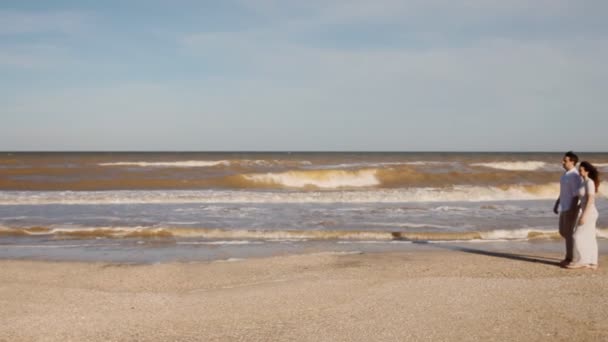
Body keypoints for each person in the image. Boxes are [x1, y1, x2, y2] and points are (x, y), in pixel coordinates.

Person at [566, 161, 600, 270]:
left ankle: (582, 261)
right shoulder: (583, 183)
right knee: (590, 237)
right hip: (587, 211)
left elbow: (591, 200)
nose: (579, 172)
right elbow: (583, 200)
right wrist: (575, 209)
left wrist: (584, 216)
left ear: (587, 171)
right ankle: (593, 262)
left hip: (589, 213)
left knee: (577, 236)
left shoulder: (590, 182)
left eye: (581, 170)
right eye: (579, 170)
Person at [553, 151, 582, 267]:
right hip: (564, 207)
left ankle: (572, 259)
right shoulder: (565, 174)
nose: (562, 162)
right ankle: (573, 255)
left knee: (569, 233)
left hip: (571, 208)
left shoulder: (574, 175)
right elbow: (563, 192)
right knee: (563, 232)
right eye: (563, 160)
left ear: (572, 162)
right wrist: (557, 203)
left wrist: (572, 209)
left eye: (565, 160)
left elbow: (576, 195)